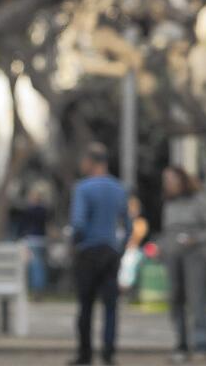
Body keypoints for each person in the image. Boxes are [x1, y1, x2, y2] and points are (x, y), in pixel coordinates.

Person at [67, 143, 130, 366]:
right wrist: (119, 249)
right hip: (111, 252)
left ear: (92, 162)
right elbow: (128, 224)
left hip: (88, 251)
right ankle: (108, 353)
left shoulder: (83, 188)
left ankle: (85, 355)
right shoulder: (120, 188)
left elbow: (79, 223)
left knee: (86, 306)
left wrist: (74, 243)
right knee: (110, 306)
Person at [161, 165, 206, 362]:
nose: (168, 184)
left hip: (194, 257)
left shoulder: (198, 202)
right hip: (172, 257)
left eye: (172, 179)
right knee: (175, 300)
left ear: (182, 180)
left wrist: (195, 240)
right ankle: (181, 344)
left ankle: (201, 344)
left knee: (196, 300)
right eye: (166, 180)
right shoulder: (169, 205)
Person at [19, 185, 51, 296]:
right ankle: (39, 287)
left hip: (33, 239)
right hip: (41, 239)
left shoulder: (30, 210)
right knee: (39, 264)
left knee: (35, 265)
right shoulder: (44, 210)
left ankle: (37, 288)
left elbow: (24, 224)